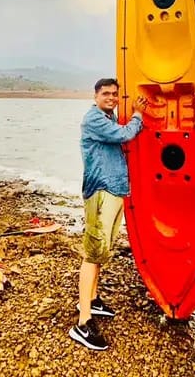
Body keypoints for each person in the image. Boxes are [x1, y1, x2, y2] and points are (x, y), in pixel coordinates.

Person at [68, 78, 148, 351]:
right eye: (106, 94)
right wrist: (138, 114)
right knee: (92, 253)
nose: (111, 98)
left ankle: (92, 299)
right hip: (100, 190)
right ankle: (82, 322)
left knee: (103, 250)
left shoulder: (108, 116)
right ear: (95, 96)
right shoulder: (94, 119)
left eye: (115, 94)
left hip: (114, 189)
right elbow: (124, 135)